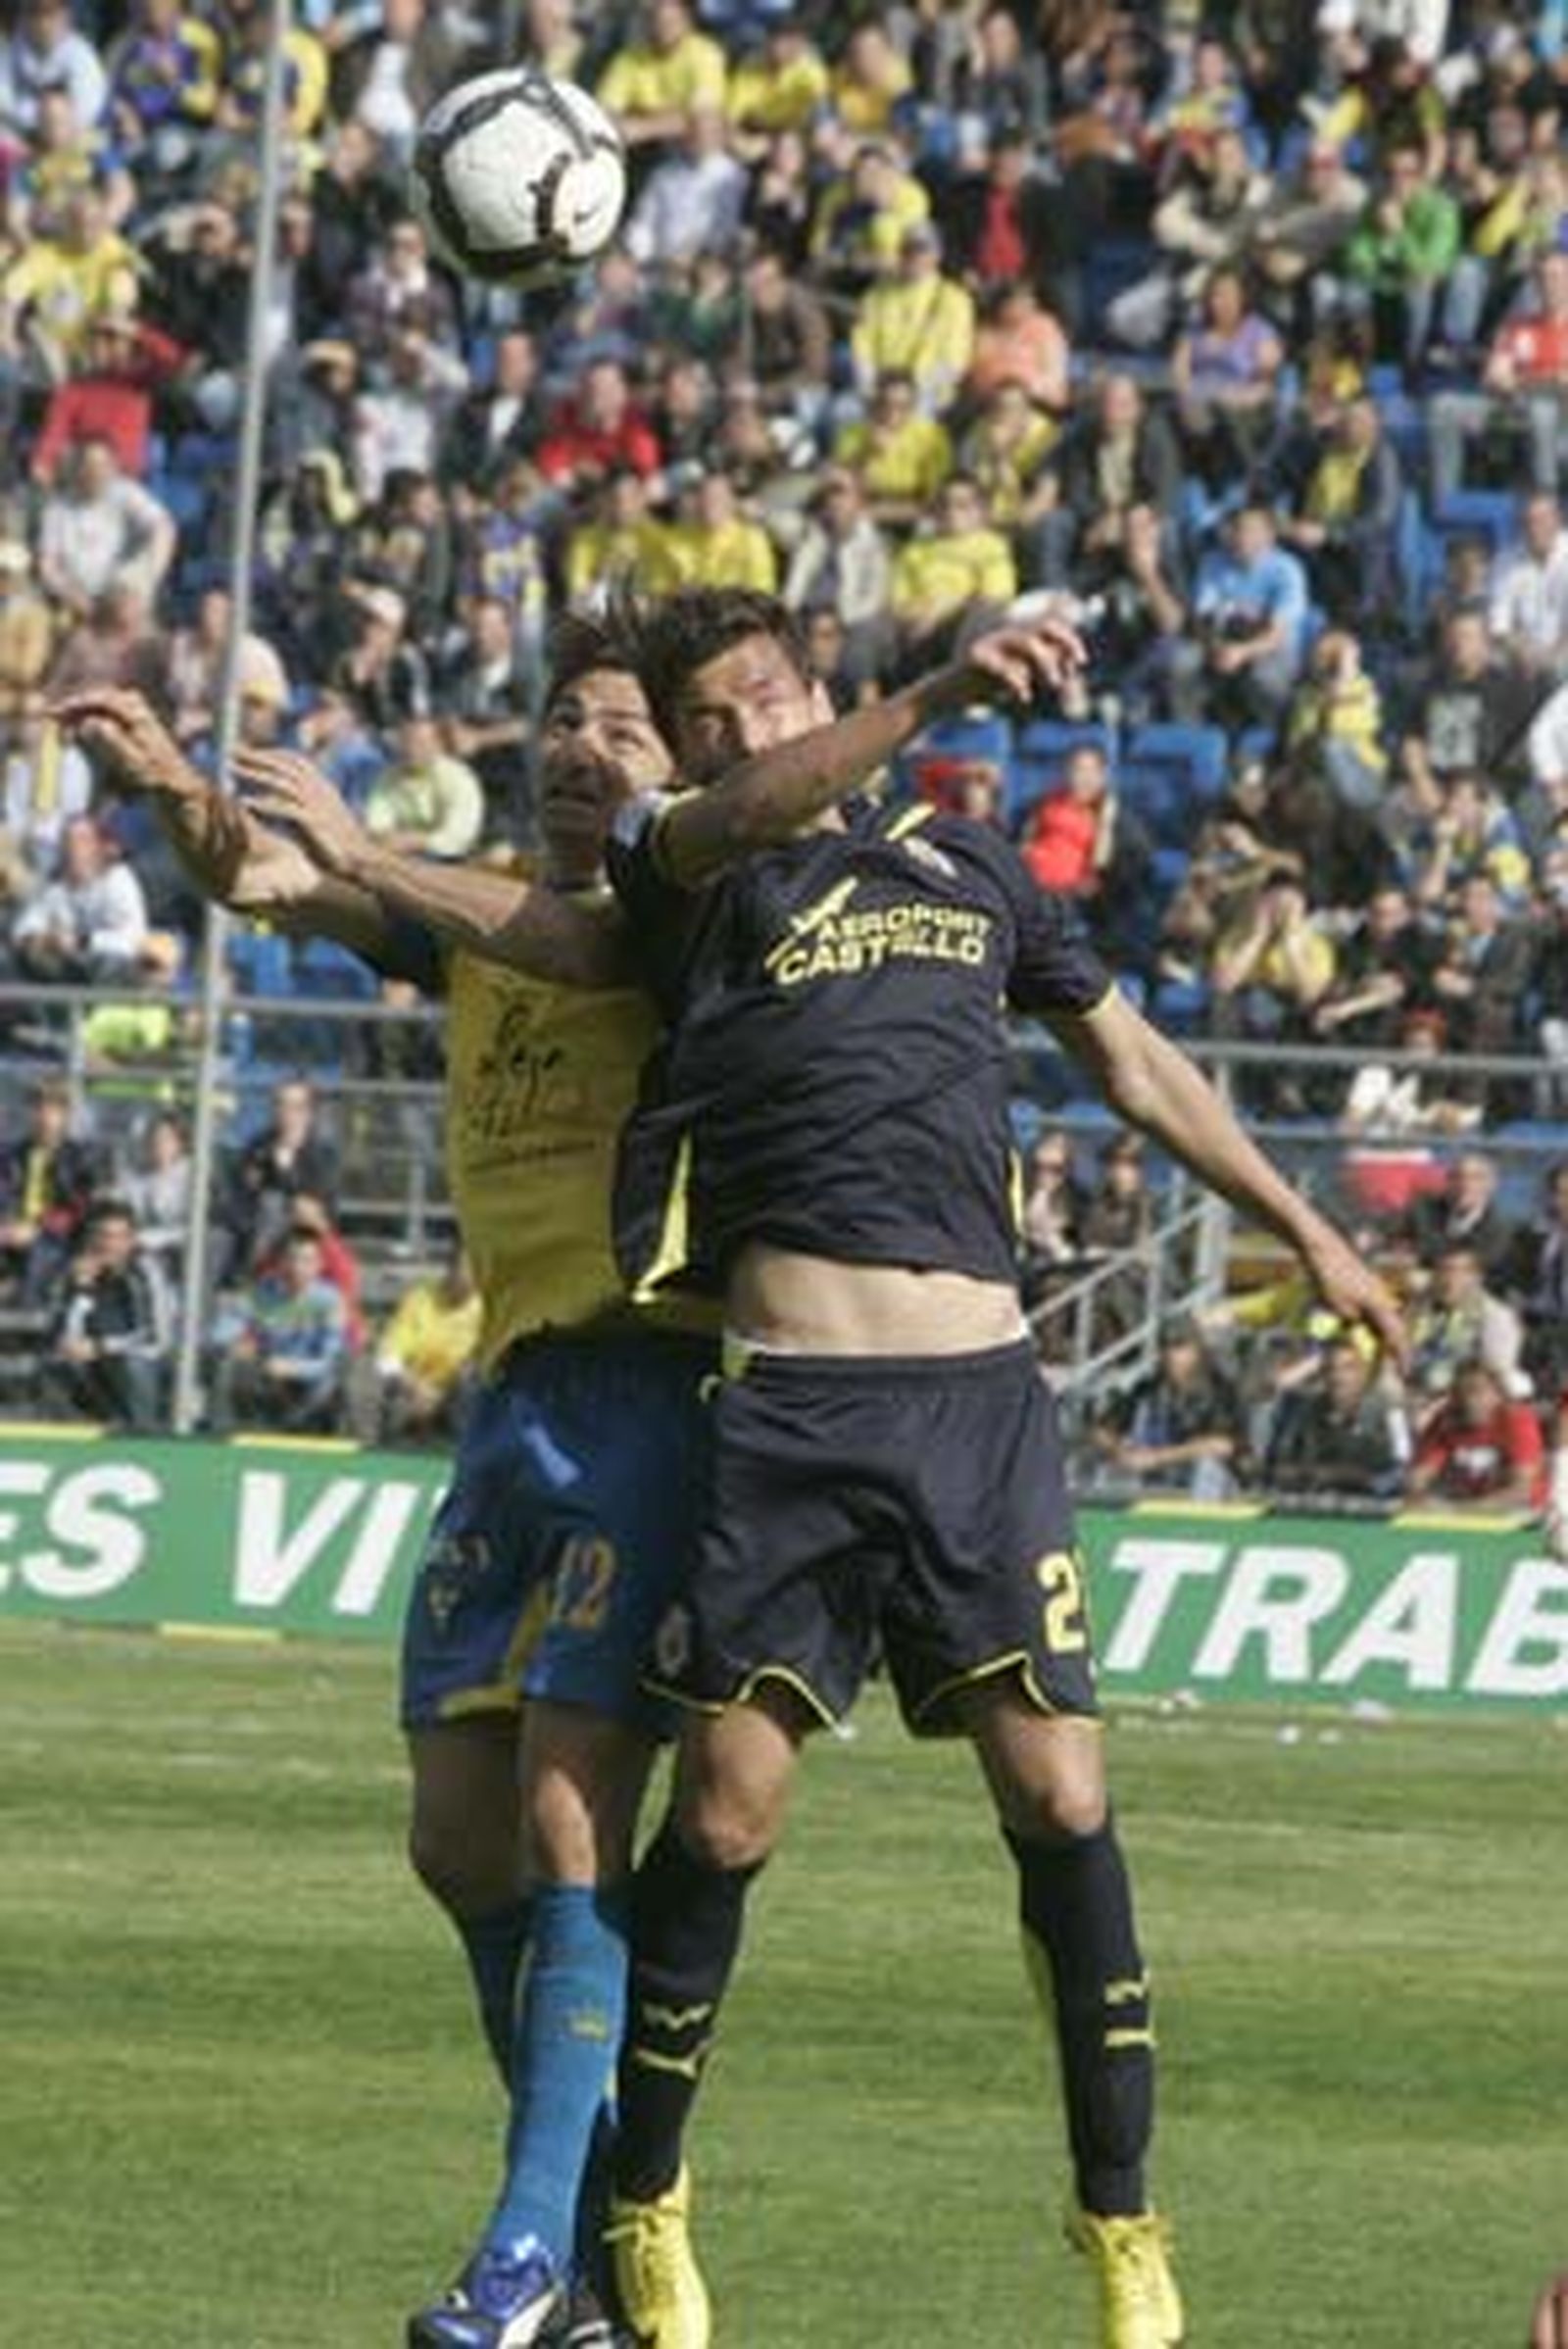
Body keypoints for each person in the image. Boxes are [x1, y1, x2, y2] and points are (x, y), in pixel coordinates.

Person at [248, 585, 1405, 2349]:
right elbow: (613, 878)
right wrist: (937, 682)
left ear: (816, 685)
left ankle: (1122, 2224)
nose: (735, 736)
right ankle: (642, 2205)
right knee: (720, 1817)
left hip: (982, 1405)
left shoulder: (976, 871)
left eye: (760, 699)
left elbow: (1135, 1062)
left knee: (1067, 1802)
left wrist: (1308, 1230)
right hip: (788, 1408)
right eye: (703, 719)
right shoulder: (692, 876)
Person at [61, 611, 1059, 2349]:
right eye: (560, 721)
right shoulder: (465, 928)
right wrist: (164, 790)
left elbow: (546, 924)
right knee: (460, 1841)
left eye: (621, 726)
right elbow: (268, 883)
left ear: (680, 772)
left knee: (566, 1814)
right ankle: (599, 2245)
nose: (582, 747)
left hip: (660, 1385)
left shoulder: (684, 923)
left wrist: (356, 845)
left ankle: (534, 2256)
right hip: (515, 1399)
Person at [40, 1195, 172, 1430]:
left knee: (133, 1366)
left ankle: (143, 1435)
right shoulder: (72, 1271)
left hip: (144, 1361)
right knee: (55, 1367)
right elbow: (59, 1335)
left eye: (120, 1237)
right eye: (104, 1235)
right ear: (92, 1238)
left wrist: (101, 1347)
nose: (111, 1244)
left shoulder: (145, 1271)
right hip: (95, 1360)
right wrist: (82, 1290)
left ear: (132, 1240)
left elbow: (157, 1337)